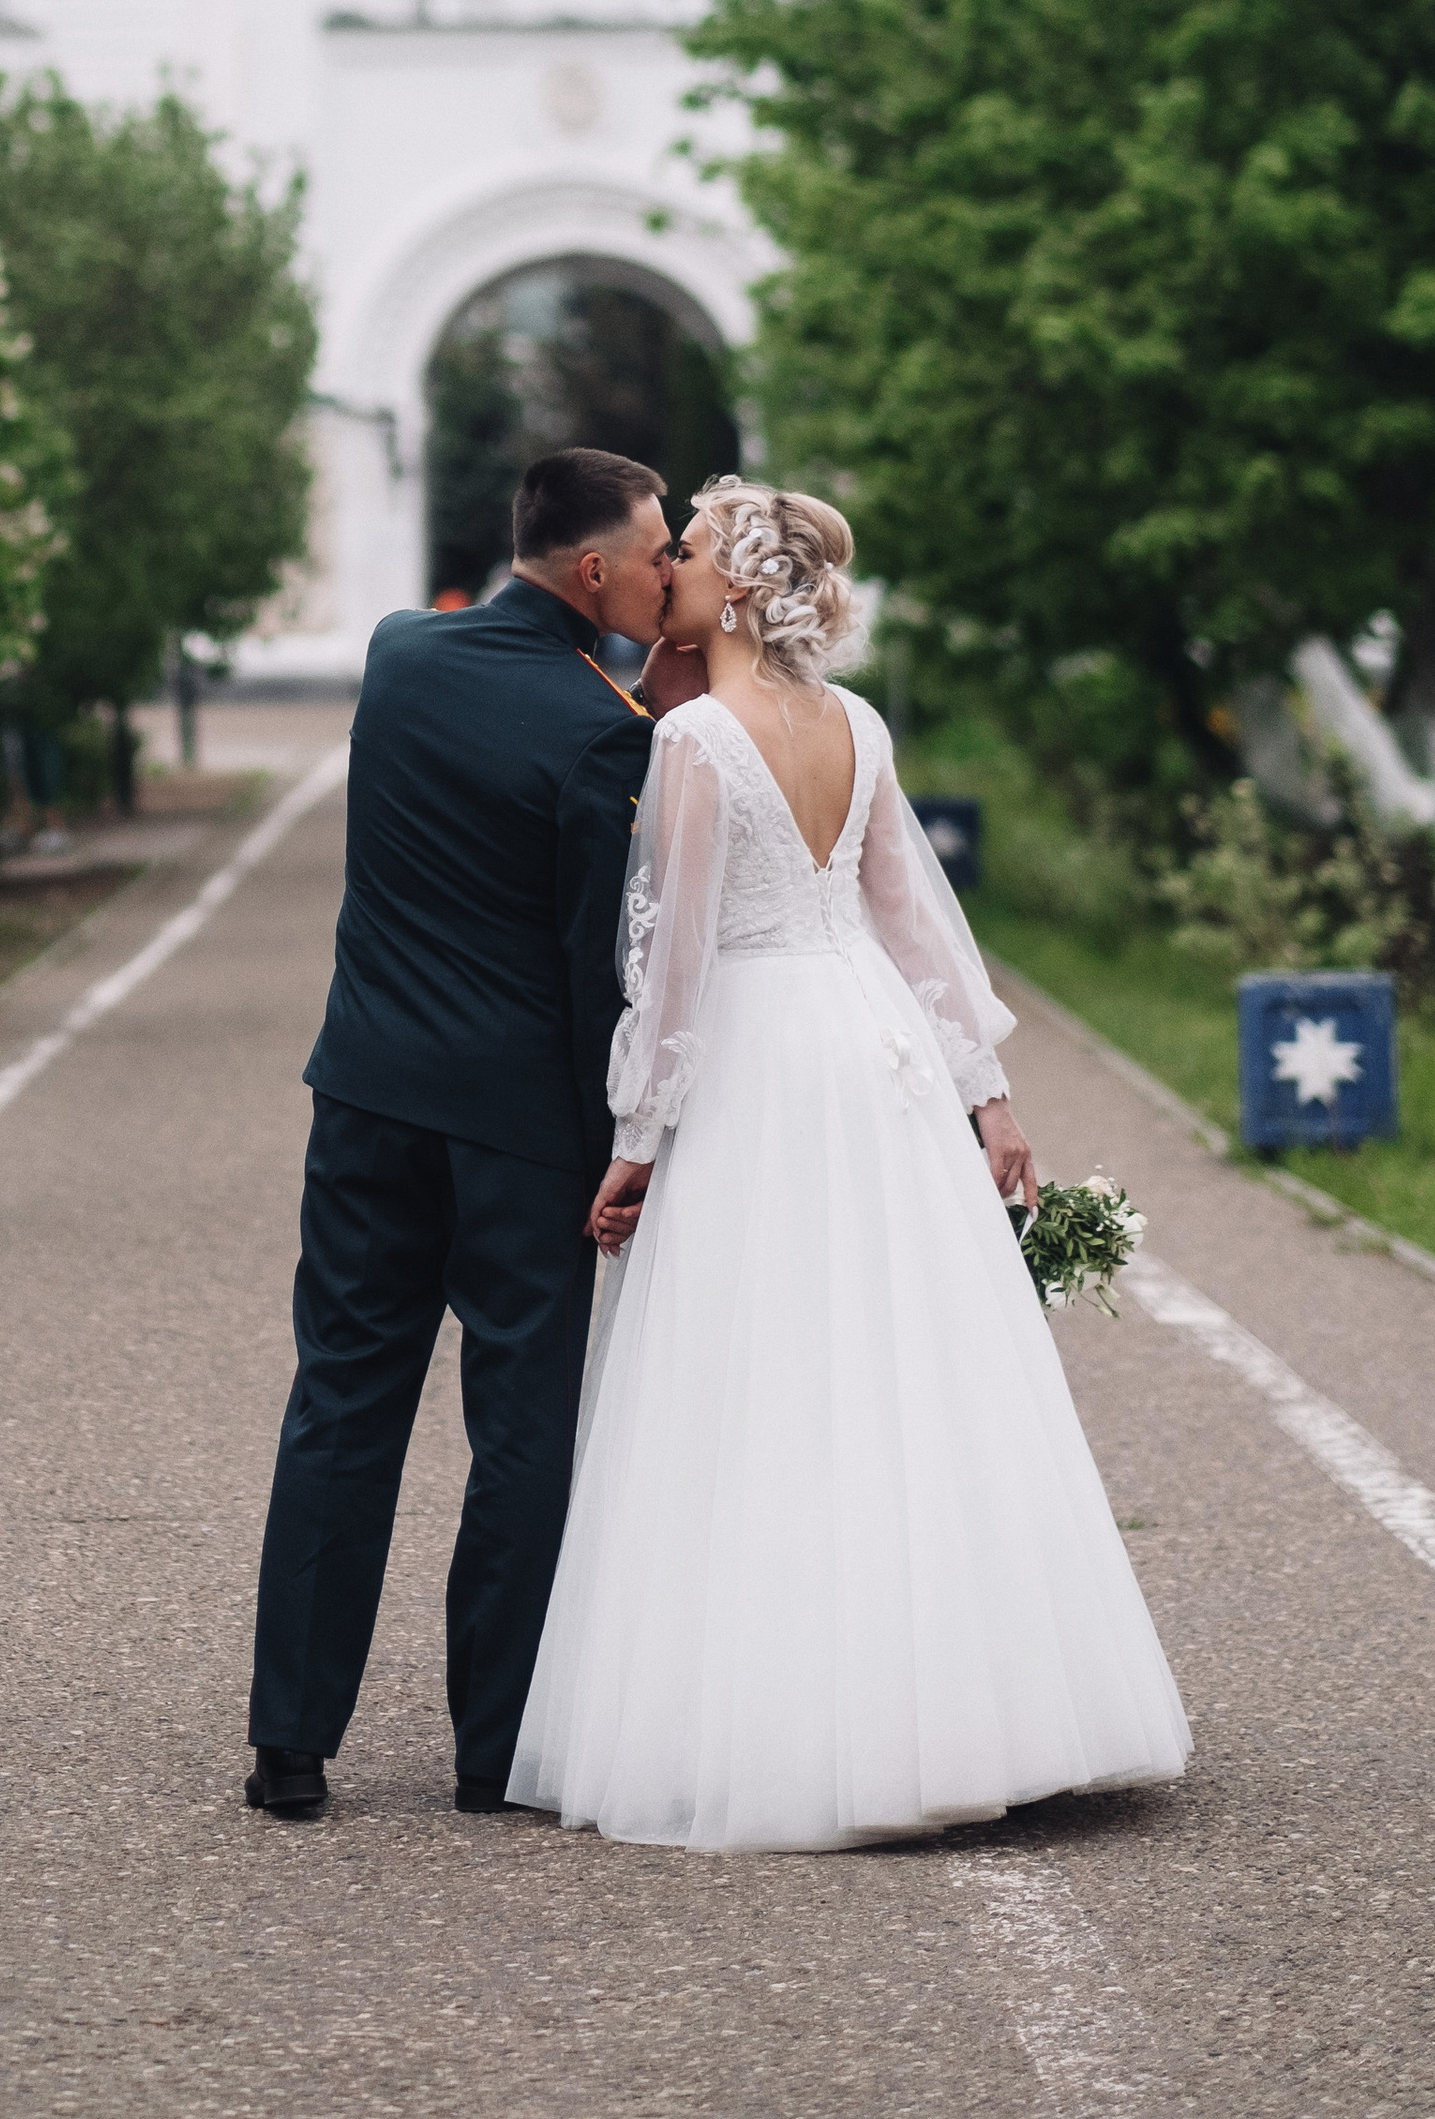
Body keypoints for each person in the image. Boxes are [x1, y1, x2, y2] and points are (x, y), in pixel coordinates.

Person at [509, 476, 1191, 1852]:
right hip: (872, 1048)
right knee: (908, 1360)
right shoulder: (859, 725)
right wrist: (986, 1097)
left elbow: (678, 961)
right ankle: (982, 1705)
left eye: (689, 551)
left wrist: (637, 1138)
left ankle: (798, 1719)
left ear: (741, 585)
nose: (670, 567)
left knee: (766, 1370)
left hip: (765, 1054)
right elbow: (913, 926)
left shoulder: (696, 738)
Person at [243, 448, 676, 1824]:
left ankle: (291, 1747)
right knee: (522, 1431)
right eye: (661, 553)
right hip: (516, 1135)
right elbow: (589, 961)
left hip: (365, 1096)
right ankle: (495, 1752)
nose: (674, 573)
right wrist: (626, 1130)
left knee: (343, 1406)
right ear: (595, 570)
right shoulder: (601, 732)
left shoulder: (399, 655)